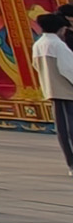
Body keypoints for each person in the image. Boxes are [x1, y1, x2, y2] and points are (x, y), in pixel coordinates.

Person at [37, 10, 73, 172]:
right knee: (69, 128)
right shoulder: (58, 45)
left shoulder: (38, 44)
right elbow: (68, 69)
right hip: (66, 91)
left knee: (62, 128)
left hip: (52, 89)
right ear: (60, 29)